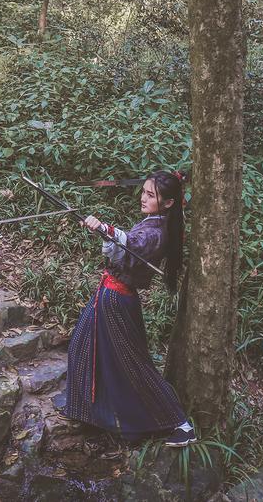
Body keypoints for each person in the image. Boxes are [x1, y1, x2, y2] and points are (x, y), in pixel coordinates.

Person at [61, 171, 196, 447]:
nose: (143, 198)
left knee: (134, 363)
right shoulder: (153, 223)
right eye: (143, 191)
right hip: (108, 293)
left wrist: (105, 229)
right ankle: (87, 411)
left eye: (151, 195)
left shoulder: (156, 232)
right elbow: (123, 248)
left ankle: (181, 424)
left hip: (117, 299)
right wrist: (104, 232)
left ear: (169, 203)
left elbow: (132, 245)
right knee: (81, 345)